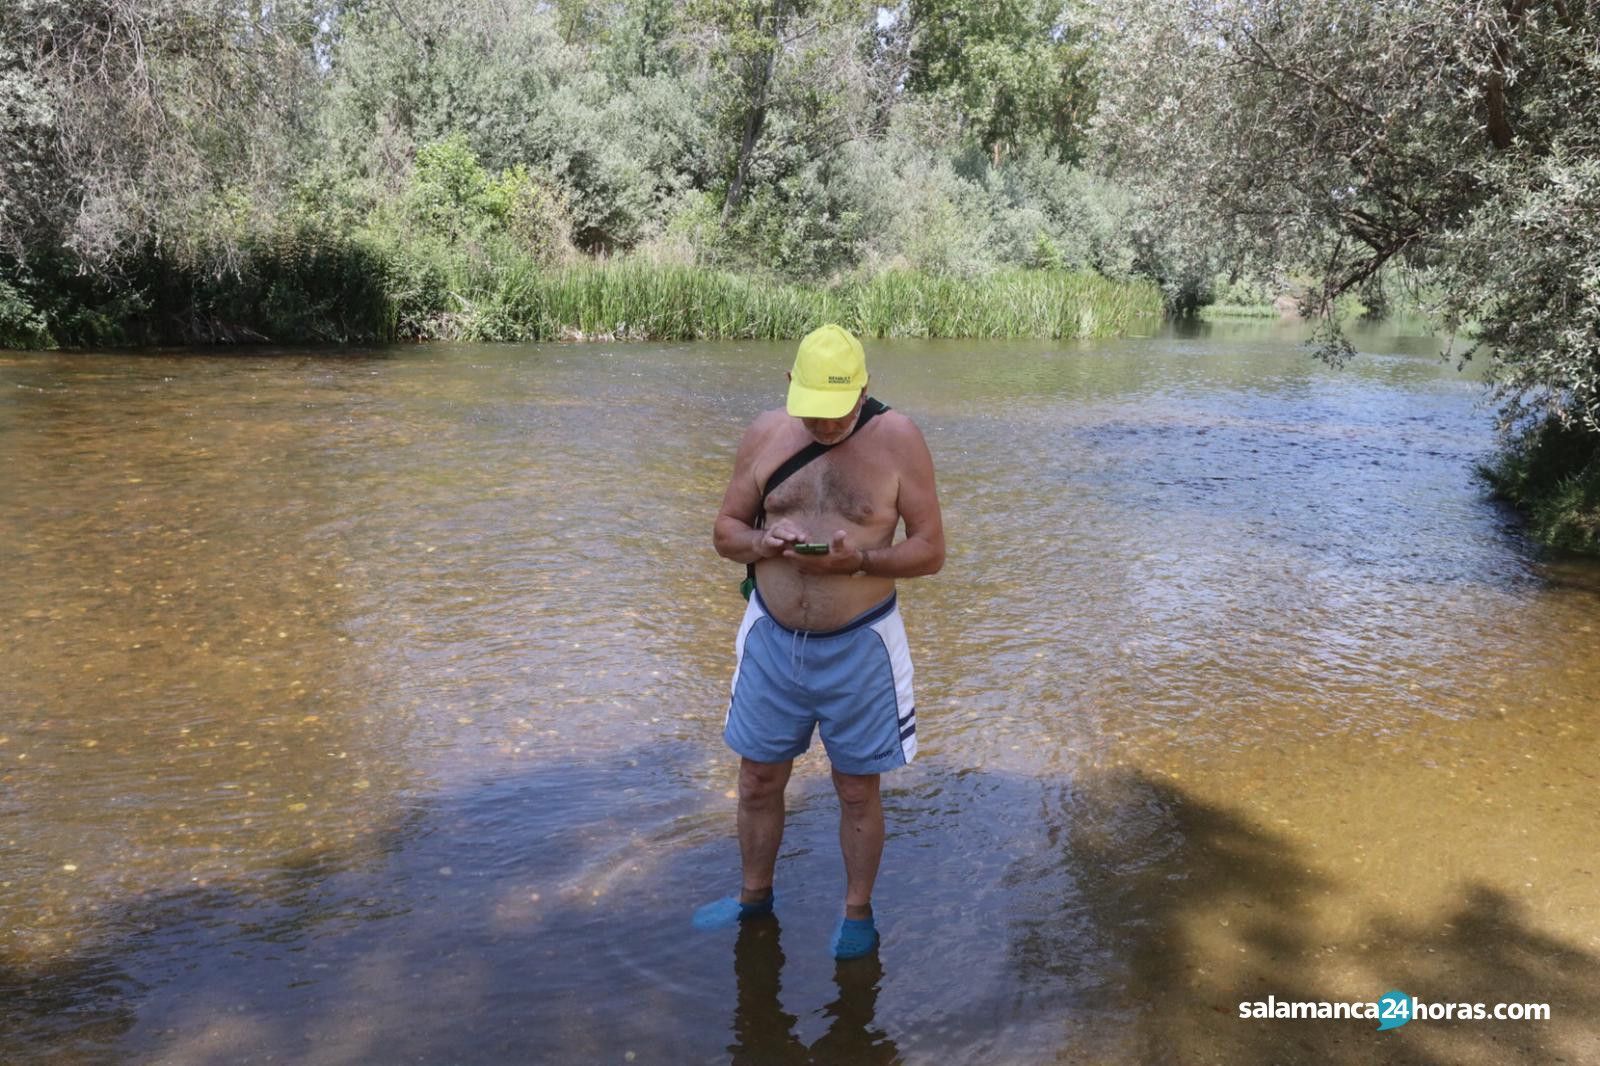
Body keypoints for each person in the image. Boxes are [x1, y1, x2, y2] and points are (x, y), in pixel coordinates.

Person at [695, 323, 945, 960]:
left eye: (838, 415)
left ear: (864, 391)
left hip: (860, 645)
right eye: (813, 412)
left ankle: (857, 915)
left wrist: (860, 562)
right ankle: (754, 899)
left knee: (857, 787)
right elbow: (725, 532)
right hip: (772, 638)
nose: (826, 427)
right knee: (756, 778)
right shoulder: (765, 433)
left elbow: (929, 551)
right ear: (789, 387)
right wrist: (761, 544)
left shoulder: (899, 441)